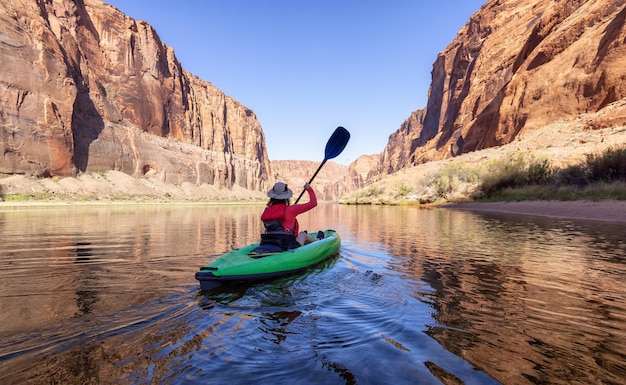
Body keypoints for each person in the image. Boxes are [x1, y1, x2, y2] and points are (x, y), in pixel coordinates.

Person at [258, 181, 317, 251]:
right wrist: (309, 188)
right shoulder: (292, 209)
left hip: (270, 241)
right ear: (286, 197)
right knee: (303, 234)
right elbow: (313, 203)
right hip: (287, 245)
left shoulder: (267, 210)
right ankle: (319, 242)